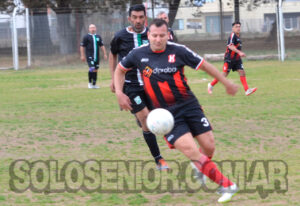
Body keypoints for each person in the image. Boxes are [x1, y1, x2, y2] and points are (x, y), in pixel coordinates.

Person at [114, 19, 240, 203]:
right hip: (165, 115)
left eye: (162, 36)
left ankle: (200, 166)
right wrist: (119, 92)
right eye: (154, 35)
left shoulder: (179, 51)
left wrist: (227, 82)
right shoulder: (138, 54)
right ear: (148, 35)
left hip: (189, 105)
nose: (158, 39)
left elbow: (205, 65)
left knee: (209, 145)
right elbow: (119, 70)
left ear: (168, 35)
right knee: (191, 150)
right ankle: (227, 185)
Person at [109, 4, 169, 171]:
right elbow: (113, 55)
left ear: (145, 18)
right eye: (134, 17)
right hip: (130, 85)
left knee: (156, 115)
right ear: (129, 18)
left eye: (141, 17)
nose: (138, 20)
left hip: (151, 83)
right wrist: (113, 78)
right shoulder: (120, 36)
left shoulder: (152, 34)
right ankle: (159, 160)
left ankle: (141, 118)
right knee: (145, 118)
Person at [207, 21, 257, 96]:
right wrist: (239, 52)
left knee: (242, 72)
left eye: (239, 26)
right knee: (224, 75)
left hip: (237, 59)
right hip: (229, 58)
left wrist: (239, 54)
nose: (238, 28)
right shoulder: (232, 35)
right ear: (233, 28)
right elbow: (230, 46)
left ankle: (247, 90)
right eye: (236, 27)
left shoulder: (238, 37)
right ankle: (211, 85)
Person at [80, 24, 107, 89]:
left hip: (97, 57)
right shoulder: (86, 37)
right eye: (91, 28)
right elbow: (82, 46)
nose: (93, 29)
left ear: (96, 28)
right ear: (89, 29)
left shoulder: (98, 36)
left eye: (94, 27)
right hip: (89, 56)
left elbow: (102, 46)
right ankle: (89, 83)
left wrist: (105, 54)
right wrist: (82, 55)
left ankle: (94, 84)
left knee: (95, 70)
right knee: (92, 68)